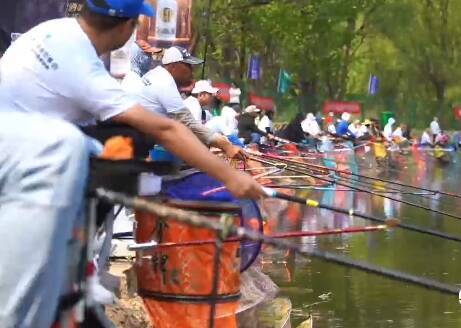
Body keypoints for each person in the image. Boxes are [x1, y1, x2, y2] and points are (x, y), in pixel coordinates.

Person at [0, 1, 265, 327]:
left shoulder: (55, 32)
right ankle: (68, 279)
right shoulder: (82, 64)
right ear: (126, 28)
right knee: (126, 144)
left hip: (25, 148)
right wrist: (230, 177)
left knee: (117, 146)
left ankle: (82, 271)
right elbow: (166, 128)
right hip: (24, 163)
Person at [130, 48, 243, 158]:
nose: (192, 70)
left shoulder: (156, 75)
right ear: (173, 66)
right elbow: (188, 124)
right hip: (138, 148)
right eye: (188, 65)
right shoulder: (164, 83)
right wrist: (225, 145)